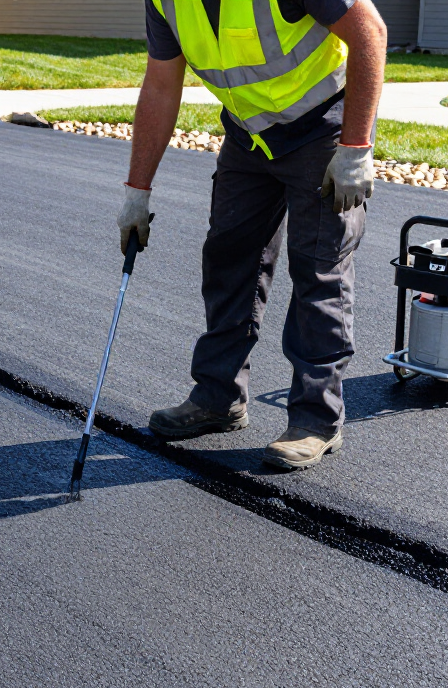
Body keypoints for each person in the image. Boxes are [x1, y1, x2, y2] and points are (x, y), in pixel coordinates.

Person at [119, 0, 387, 469]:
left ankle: (316, 421)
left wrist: (355, 148)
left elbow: (370, 33)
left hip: (321, 132)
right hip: (250, 136)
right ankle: (218, 397)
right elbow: (162, 85)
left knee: (318, 269)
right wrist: (136, 192)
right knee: (229, 258)